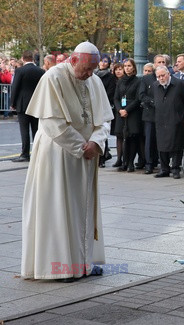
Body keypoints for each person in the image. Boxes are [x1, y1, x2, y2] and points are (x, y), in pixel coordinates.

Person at [21, 41, 113, 281]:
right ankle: (58, 267)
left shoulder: (93, 80)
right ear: (73, 61)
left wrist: (96, 142)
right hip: (58, 153)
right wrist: (81, 147)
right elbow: (52, 122)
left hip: (87, 154)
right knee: (58, 206)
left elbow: (104, 119)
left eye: (93, 69)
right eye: (86, 69)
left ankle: (84, 263)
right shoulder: (53, 77)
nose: (90, 74)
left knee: (82, 208)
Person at [153, 66, 184, 179]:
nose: (161, 78)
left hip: (175, 118)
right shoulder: (155, 85)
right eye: (158, 76)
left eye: (163, 75)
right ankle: (164, 169)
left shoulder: (179, 84)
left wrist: (183, 116)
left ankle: (175, 168)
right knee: (161, 144)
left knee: (176, 145)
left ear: (168, 74)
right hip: (161, 119)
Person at [10, 50, 45, 162]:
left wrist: (13, 103)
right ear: (33, 58)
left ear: (23, 58)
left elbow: (15, 87)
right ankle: (38, 152)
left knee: (24, 130)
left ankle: (25, 154)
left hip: (23, 103)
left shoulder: (20, 70)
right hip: (36, 103)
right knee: (36, 129)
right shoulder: (41, 71)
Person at [113, 58, 141, 172]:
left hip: (132, 112)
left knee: (132, 137)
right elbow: (116, 98)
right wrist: (120, 109)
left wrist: (127, 110)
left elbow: (137, 99)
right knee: (122, 136)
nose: (127, 68)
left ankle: (130, 163)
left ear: (133, 67)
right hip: (121, 112)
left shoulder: (138, 81)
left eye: (129, 66)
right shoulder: (120, 81)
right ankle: (124, 161)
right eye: (125, 66)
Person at [138, 55, 164, 174]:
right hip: (150, 114)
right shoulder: (147, 79)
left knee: (162, 140)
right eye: (159, 62)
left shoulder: (169, 78)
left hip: (163, 115)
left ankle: (161, 163)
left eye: (163, 62)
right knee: (149, 140)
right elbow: (142, 95)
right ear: (154, 64)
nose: (161, 63)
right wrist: (153, 102)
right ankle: (149, 164)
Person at [95, 54, 116, 168]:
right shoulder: (94, 74)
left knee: (103, 131)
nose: (103, 63)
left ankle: (103, 156)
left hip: (103, 106)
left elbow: (110, 92)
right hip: (94, 105)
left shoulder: (110, 77)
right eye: (101, 61)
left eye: (105, 61)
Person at [111, 63, 125, 167]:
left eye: (120, 69)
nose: (118, 71)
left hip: (125, 110)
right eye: (116, 69)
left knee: (125, 135)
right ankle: (119, 158)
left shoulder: (125, 82)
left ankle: (125, 158)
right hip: (116, 110)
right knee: (118, 135)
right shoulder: (112, 81)